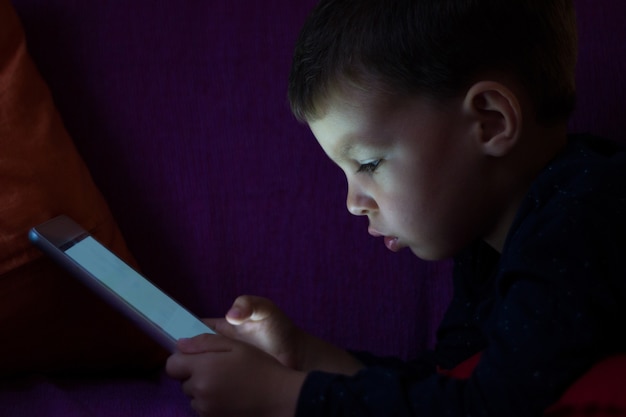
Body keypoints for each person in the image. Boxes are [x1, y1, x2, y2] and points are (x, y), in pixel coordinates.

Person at [165, 0, 626, 416]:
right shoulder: (491, 236)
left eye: (368, 162)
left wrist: (281, 398)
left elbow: (491, 406)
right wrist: (302, 359)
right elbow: (444, 386)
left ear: (489, 121)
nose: (352, 203)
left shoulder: (584, 216)